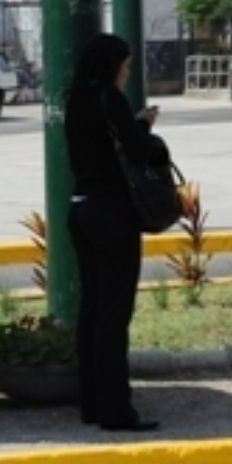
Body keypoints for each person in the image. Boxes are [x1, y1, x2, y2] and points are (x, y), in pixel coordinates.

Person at [65, 32, 164, 433]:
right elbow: (142, 152)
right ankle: (116, 410)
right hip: (113, 215)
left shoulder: (75, 100)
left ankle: (91, 403)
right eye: (123, 64)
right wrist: (149, 133)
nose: (126, 71)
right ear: (112, 66)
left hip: (81, 209)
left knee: (91, 310)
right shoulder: (110, 99)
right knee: (114, 314)